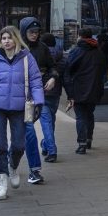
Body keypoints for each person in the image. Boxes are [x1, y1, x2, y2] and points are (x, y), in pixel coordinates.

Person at [0, 26, 44, 201]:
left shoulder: (26, 58)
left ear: (16, 39)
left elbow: (36, 81)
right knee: (0, 146)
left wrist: (39, 102)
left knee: (19, 145)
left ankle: (13, 166)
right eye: (3, 38)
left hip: (19, 108)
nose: (6, 41)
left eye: (9, 37)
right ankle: (2, 182)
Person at [20, 17, 56, 179]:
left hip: (39, 94)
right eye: (31, 31)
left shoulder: (43, 48)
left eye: (37, 32)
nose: (34, 34)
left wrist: (52, 77)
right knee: (28, 132)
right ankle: (17, 161)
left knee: (29, 131)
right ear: (24, 31)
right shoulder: (17, 47)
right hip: (21, 97)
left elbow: (52, 66)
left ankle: (33, 169)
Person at [64, 28, 107, 155]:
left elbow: (68, 70)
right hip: (94, 89)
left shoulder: (76, 51)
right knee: (89, 114)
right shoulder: (98, 52)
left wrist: (69, 90)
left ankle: (81, 143)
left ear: (79, 36)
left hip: (79, 89)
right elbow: (103, 71)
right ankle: (88, 139)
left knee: (81, 117)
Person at [39, 32, 64, 163]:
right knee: (50, 121)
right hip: (55, 94)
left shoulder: (40, 55)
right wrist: (70, 96)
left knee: (46, 122)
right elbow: (66, 78)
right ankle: (45, 145)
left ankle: (52, 150)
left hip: (42, 93)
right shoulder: (62, 57)